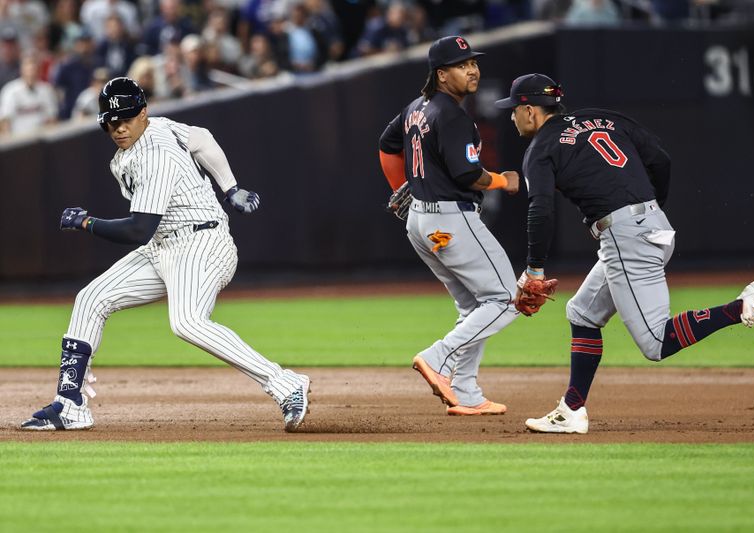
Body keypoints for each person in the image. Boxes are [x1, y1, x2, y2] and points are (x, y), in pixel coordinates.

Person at [494, 73, 754, 434]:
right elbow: (661, 159)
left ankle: (743, 307)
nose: (512, 117)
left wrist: (535, 271)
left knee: (656, 343)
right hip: (649, 223)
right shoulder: (604, 118)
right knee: (582, 313)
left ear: (530, 110)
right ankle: (571, 410)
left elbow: (540, 209)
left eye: (514, 110)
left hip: (626, 237)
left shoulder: (541, 147)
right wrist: (648, 209)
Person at [20, 77, 310, 433]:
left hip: (202, 243)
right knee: (90, 299)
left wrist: (86, 223)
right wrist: (230, 187)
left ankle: (284, 383)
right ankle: (70, 405)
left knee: (187, 322)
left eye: (127, 118)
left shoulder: (154, 155)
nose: (119, 128)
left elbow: (137, 229)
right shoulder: (160, 126)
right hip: (163, 246)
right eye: (112, 121)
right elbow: (202, 139)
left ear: (143, 112)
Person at [378, 36, 521, 416]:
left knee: (474, 305)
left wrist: (400, 187)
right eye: (461, 65)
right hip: (450, 218)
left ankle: (466, 391)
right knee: (506, 299)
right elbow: (468, 174)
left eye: (473, 62)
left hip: (419, 221)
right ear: (441, 75)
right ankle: (437, 357)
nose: (472, 69)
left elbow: (386, 144)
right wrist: (504, 180)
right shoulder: (452, 114)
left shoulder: (415, 107)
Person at [0, 52, 58, 135]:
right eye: (28, 64)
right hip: (18, 140)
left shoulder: (46, 90)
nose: (31, 68)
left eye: (34, 64)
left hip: (42, 139)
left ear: (40, 69)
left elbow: (52, 119)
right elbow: (4, 122)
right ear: (21, 68)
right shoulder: (10, 91)